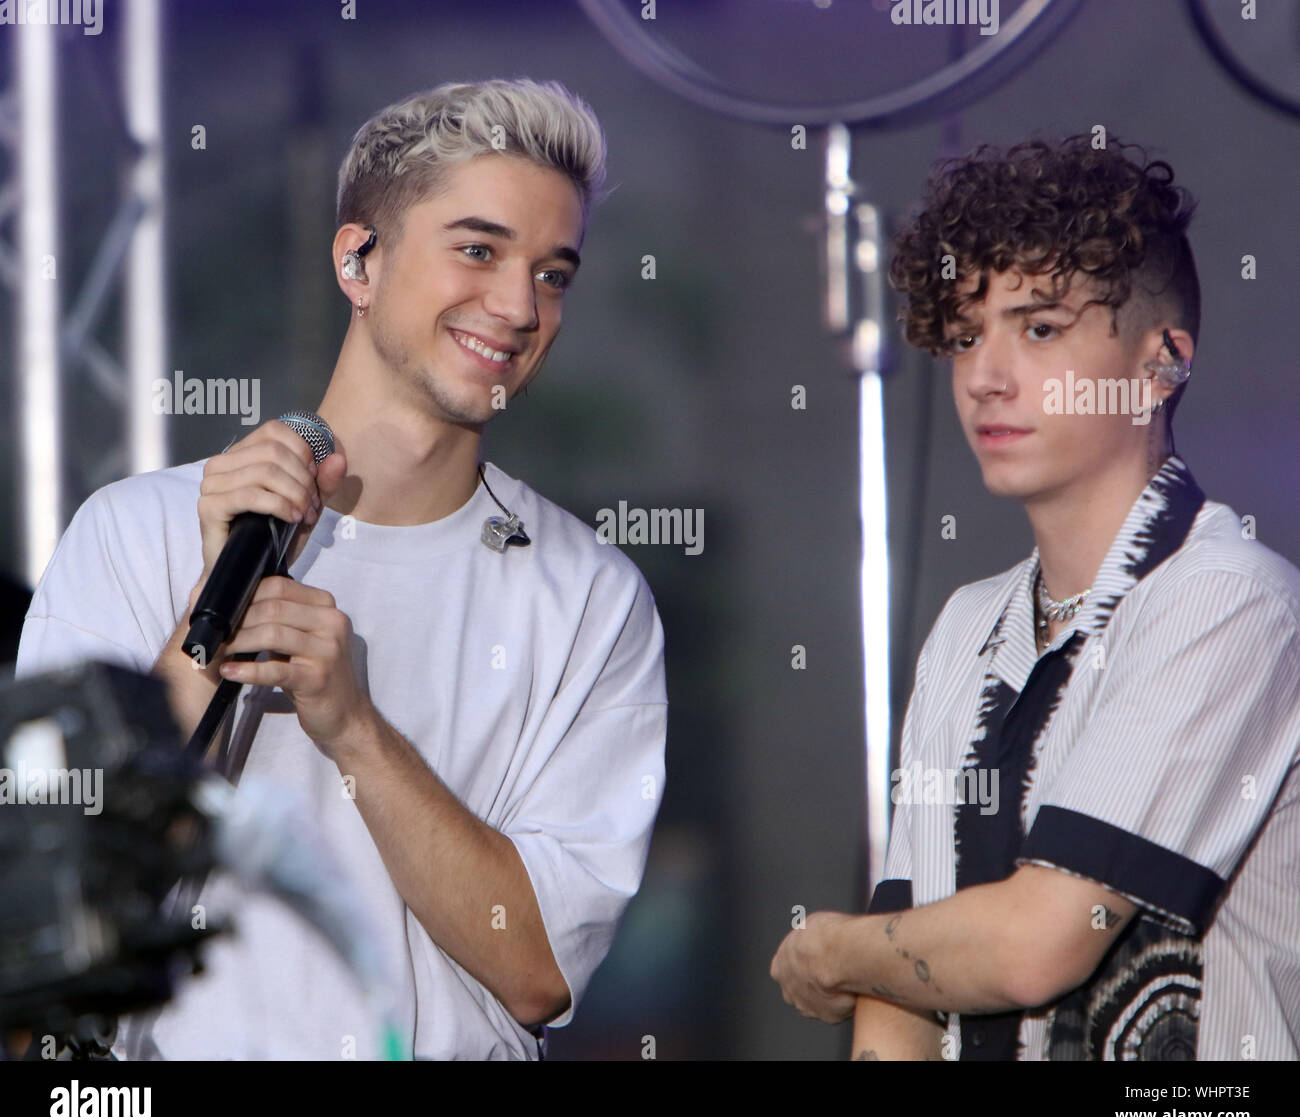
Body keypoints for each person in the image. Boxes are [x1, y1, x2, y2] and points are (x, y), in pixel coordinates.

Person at [16, 78, 667, 1060]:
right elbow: (40, 871)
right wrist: (205, 627)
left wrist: (354, 727)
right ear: (357, 259)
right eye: (479, 250)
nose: (518, 306)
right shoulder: (136, 528)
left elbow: (538, 971)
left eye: (553, 273)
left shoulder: (590, 598)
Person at [770, 136, 1300, 1061]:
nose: (985, 375)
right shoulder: (969, 627)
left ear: (1162, 360)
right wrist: (871, 968)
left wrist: (836, 949)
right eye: (968, 334)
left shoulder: (1228, 601)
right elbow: (899, 991)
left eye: (1041, 327)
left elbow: (1038, 944)